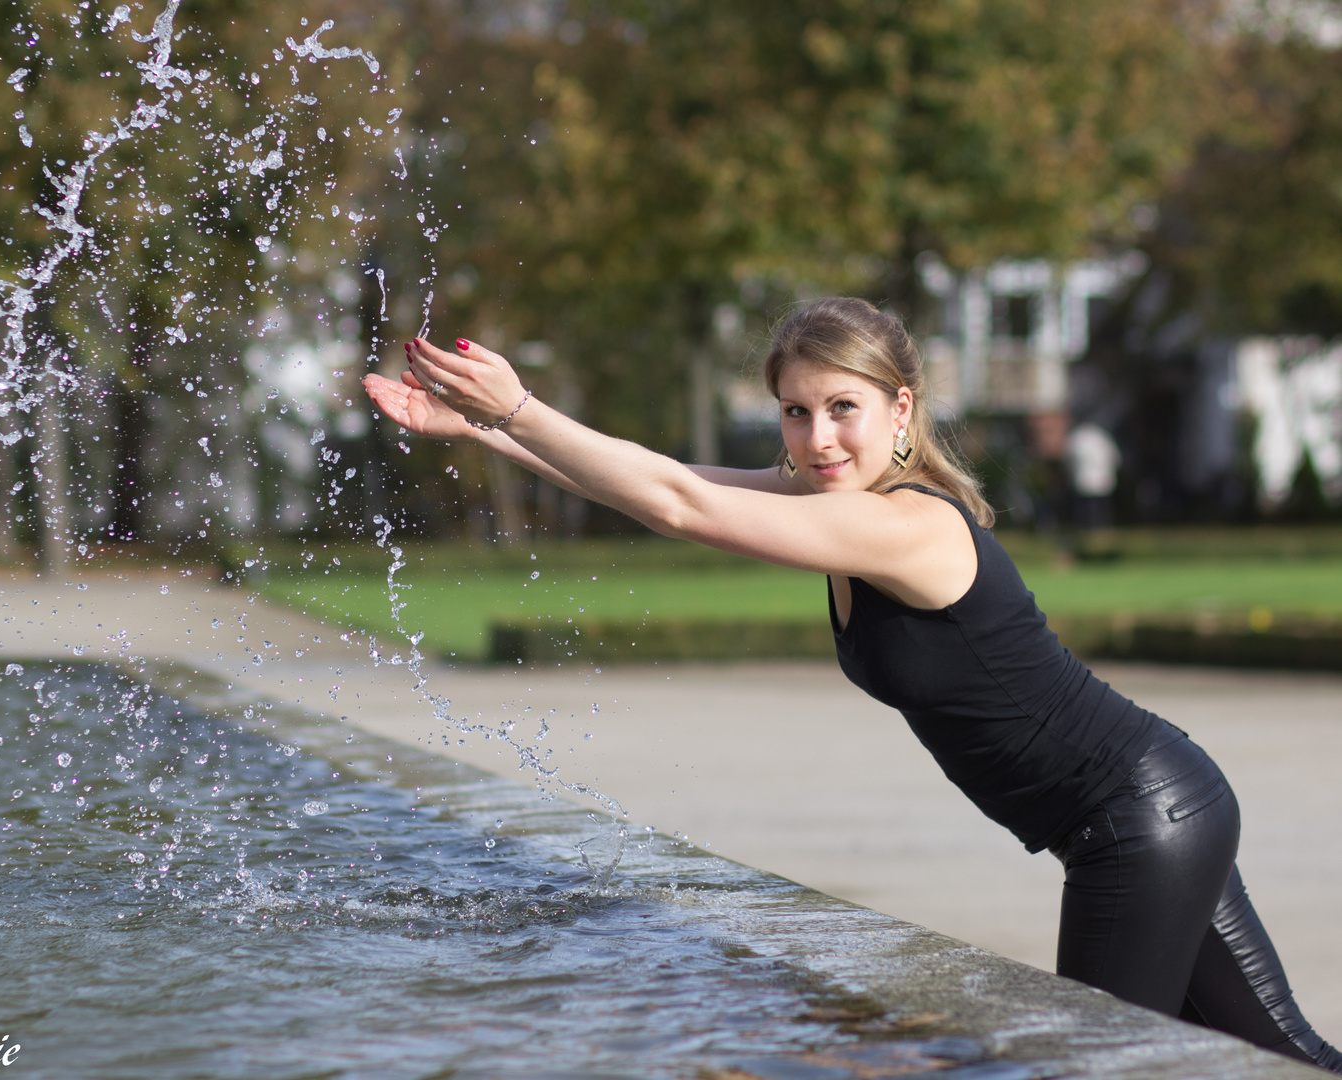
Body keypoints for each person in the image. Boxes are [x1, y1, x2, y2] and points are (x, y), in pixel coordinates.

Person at [362, 296, 1342, 1071]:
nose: (818, 436)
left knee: (1078, 1065)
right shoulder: (826, 496)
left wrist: (521, 408)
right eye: (797, 411)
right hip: (1162, 805)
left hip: (1142, 819)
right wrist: (488, 435)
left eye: (844, 409)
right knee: (1279, 1056)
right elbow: (660, 477)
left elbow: (678, 505)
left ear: (900, 409)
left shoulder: (900, 525)